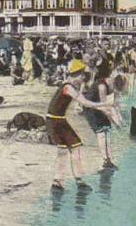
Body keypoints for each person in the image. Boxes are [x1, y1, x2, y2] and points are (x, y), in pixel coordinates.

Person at [46, 60, 109, 190]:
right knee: (75, 148)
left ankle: (58, 181)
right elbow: (84, 103)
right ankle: (78, 181)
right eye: (82, 76)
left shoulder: (67, 85)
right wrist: (104, 105)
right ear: (76, 74)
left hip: (55, 120)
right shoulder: (68, 87)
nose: (82, 79)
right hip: (57, 121)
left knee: (65, 150)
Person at [82, 70, 127, 170]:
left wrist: (120, 121)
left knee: (107, 131)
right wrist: (115, 123)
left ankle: (108, 160)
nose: (116, 90)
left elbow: (115, 105)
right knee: (101, 133)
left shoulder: (114, 85)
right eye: (116, 88)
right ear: (114, 84)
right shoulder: (102, 87)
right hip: (90, 108)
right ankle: (106, 160)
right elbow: (105, 107)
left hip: (100, 106)